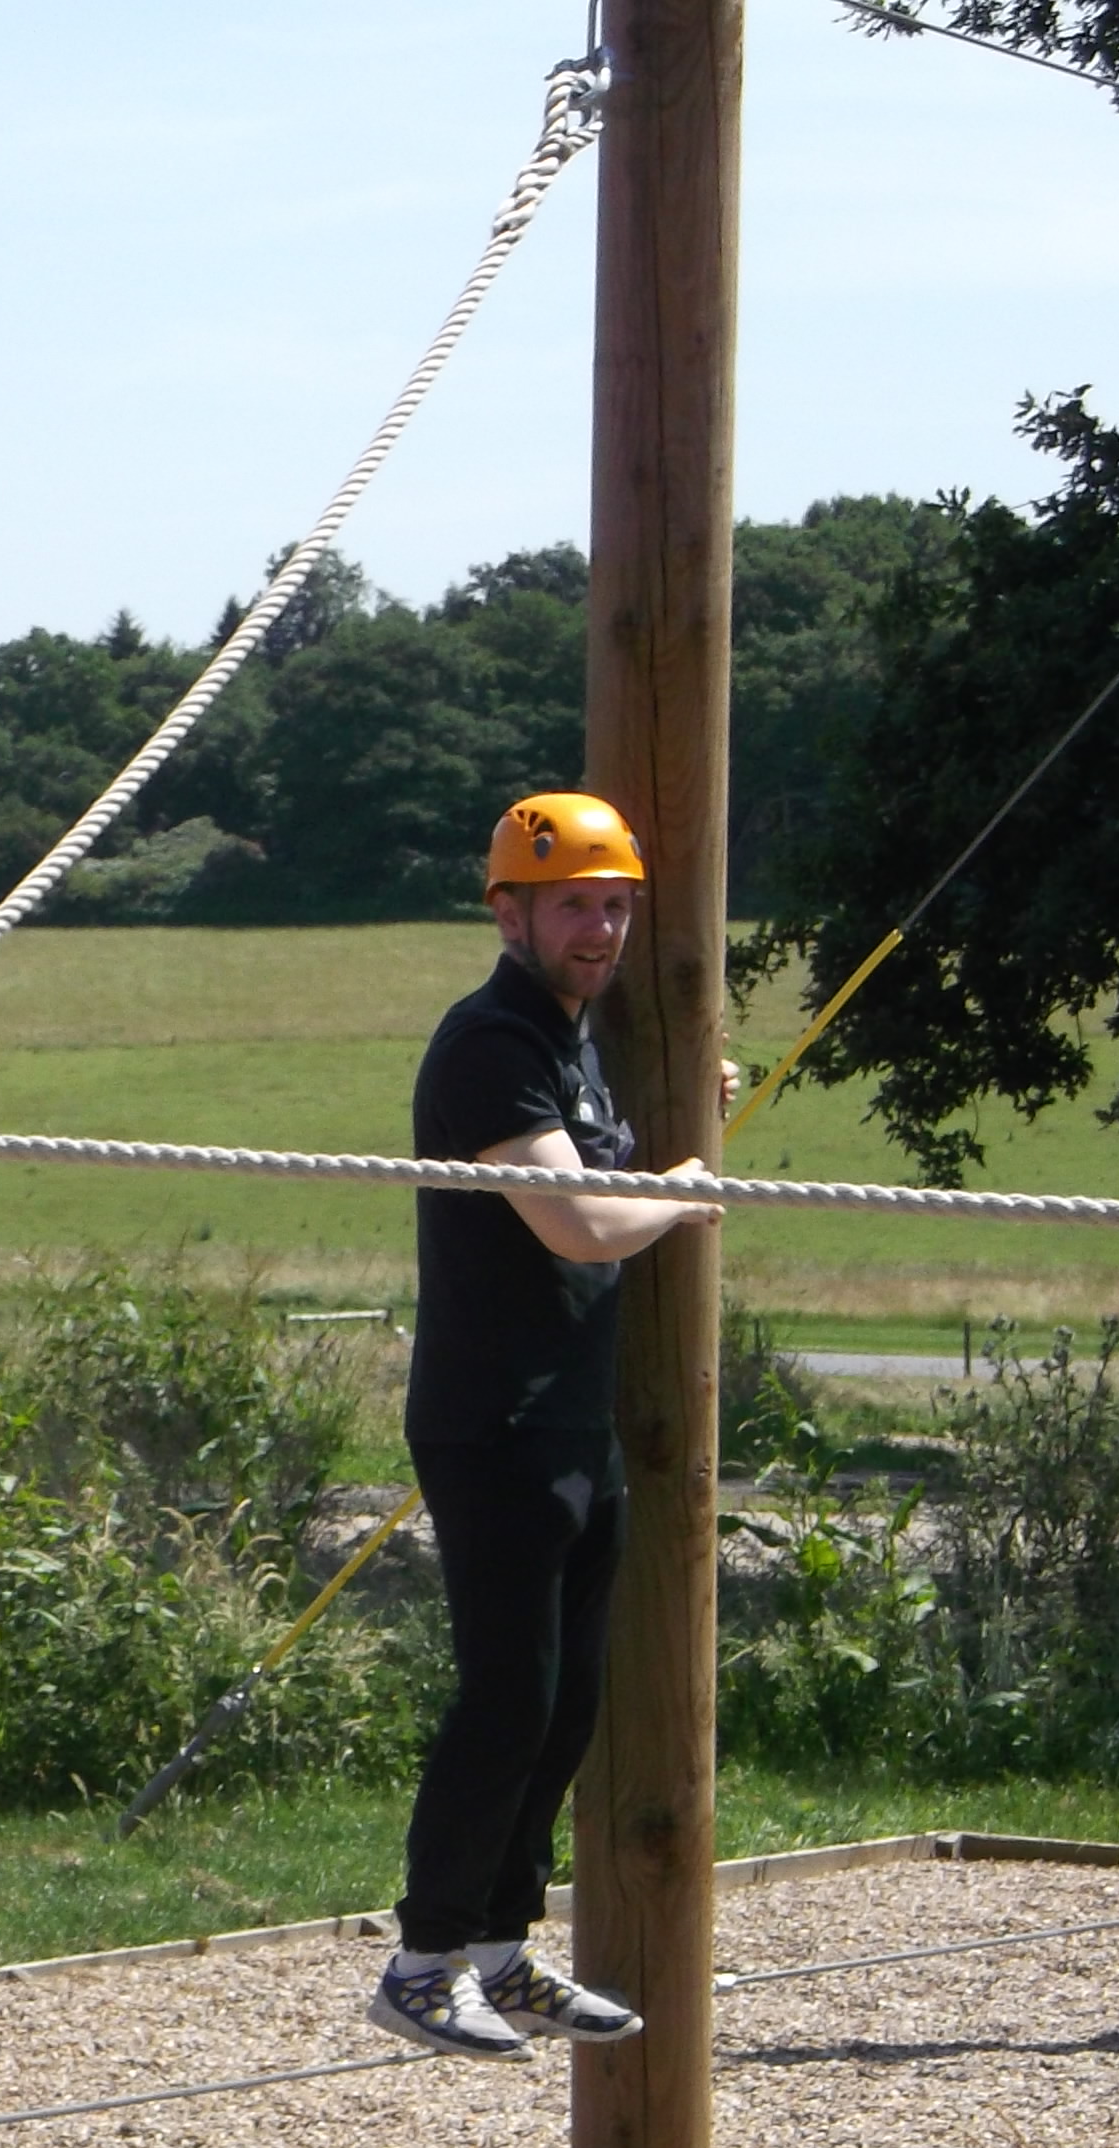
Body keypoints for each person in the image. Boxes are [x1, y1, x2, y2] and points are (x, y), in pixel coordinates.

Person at [368, 791, 722, 2060]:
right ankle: (420, 1960)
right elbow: (577, 1225)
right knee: (505, 1699)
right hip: (494, 1420)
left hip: (571, 1418)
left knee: (570, 1702)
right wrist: (684, 1190)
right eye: (573, 903)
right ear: (506, 911)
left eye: (617, 905)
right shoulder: (491, 1044)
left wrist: (686, 1115)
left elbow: (599, 1186)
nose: (601, 928)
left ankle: (502, 1950)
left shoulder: (575, 1038)